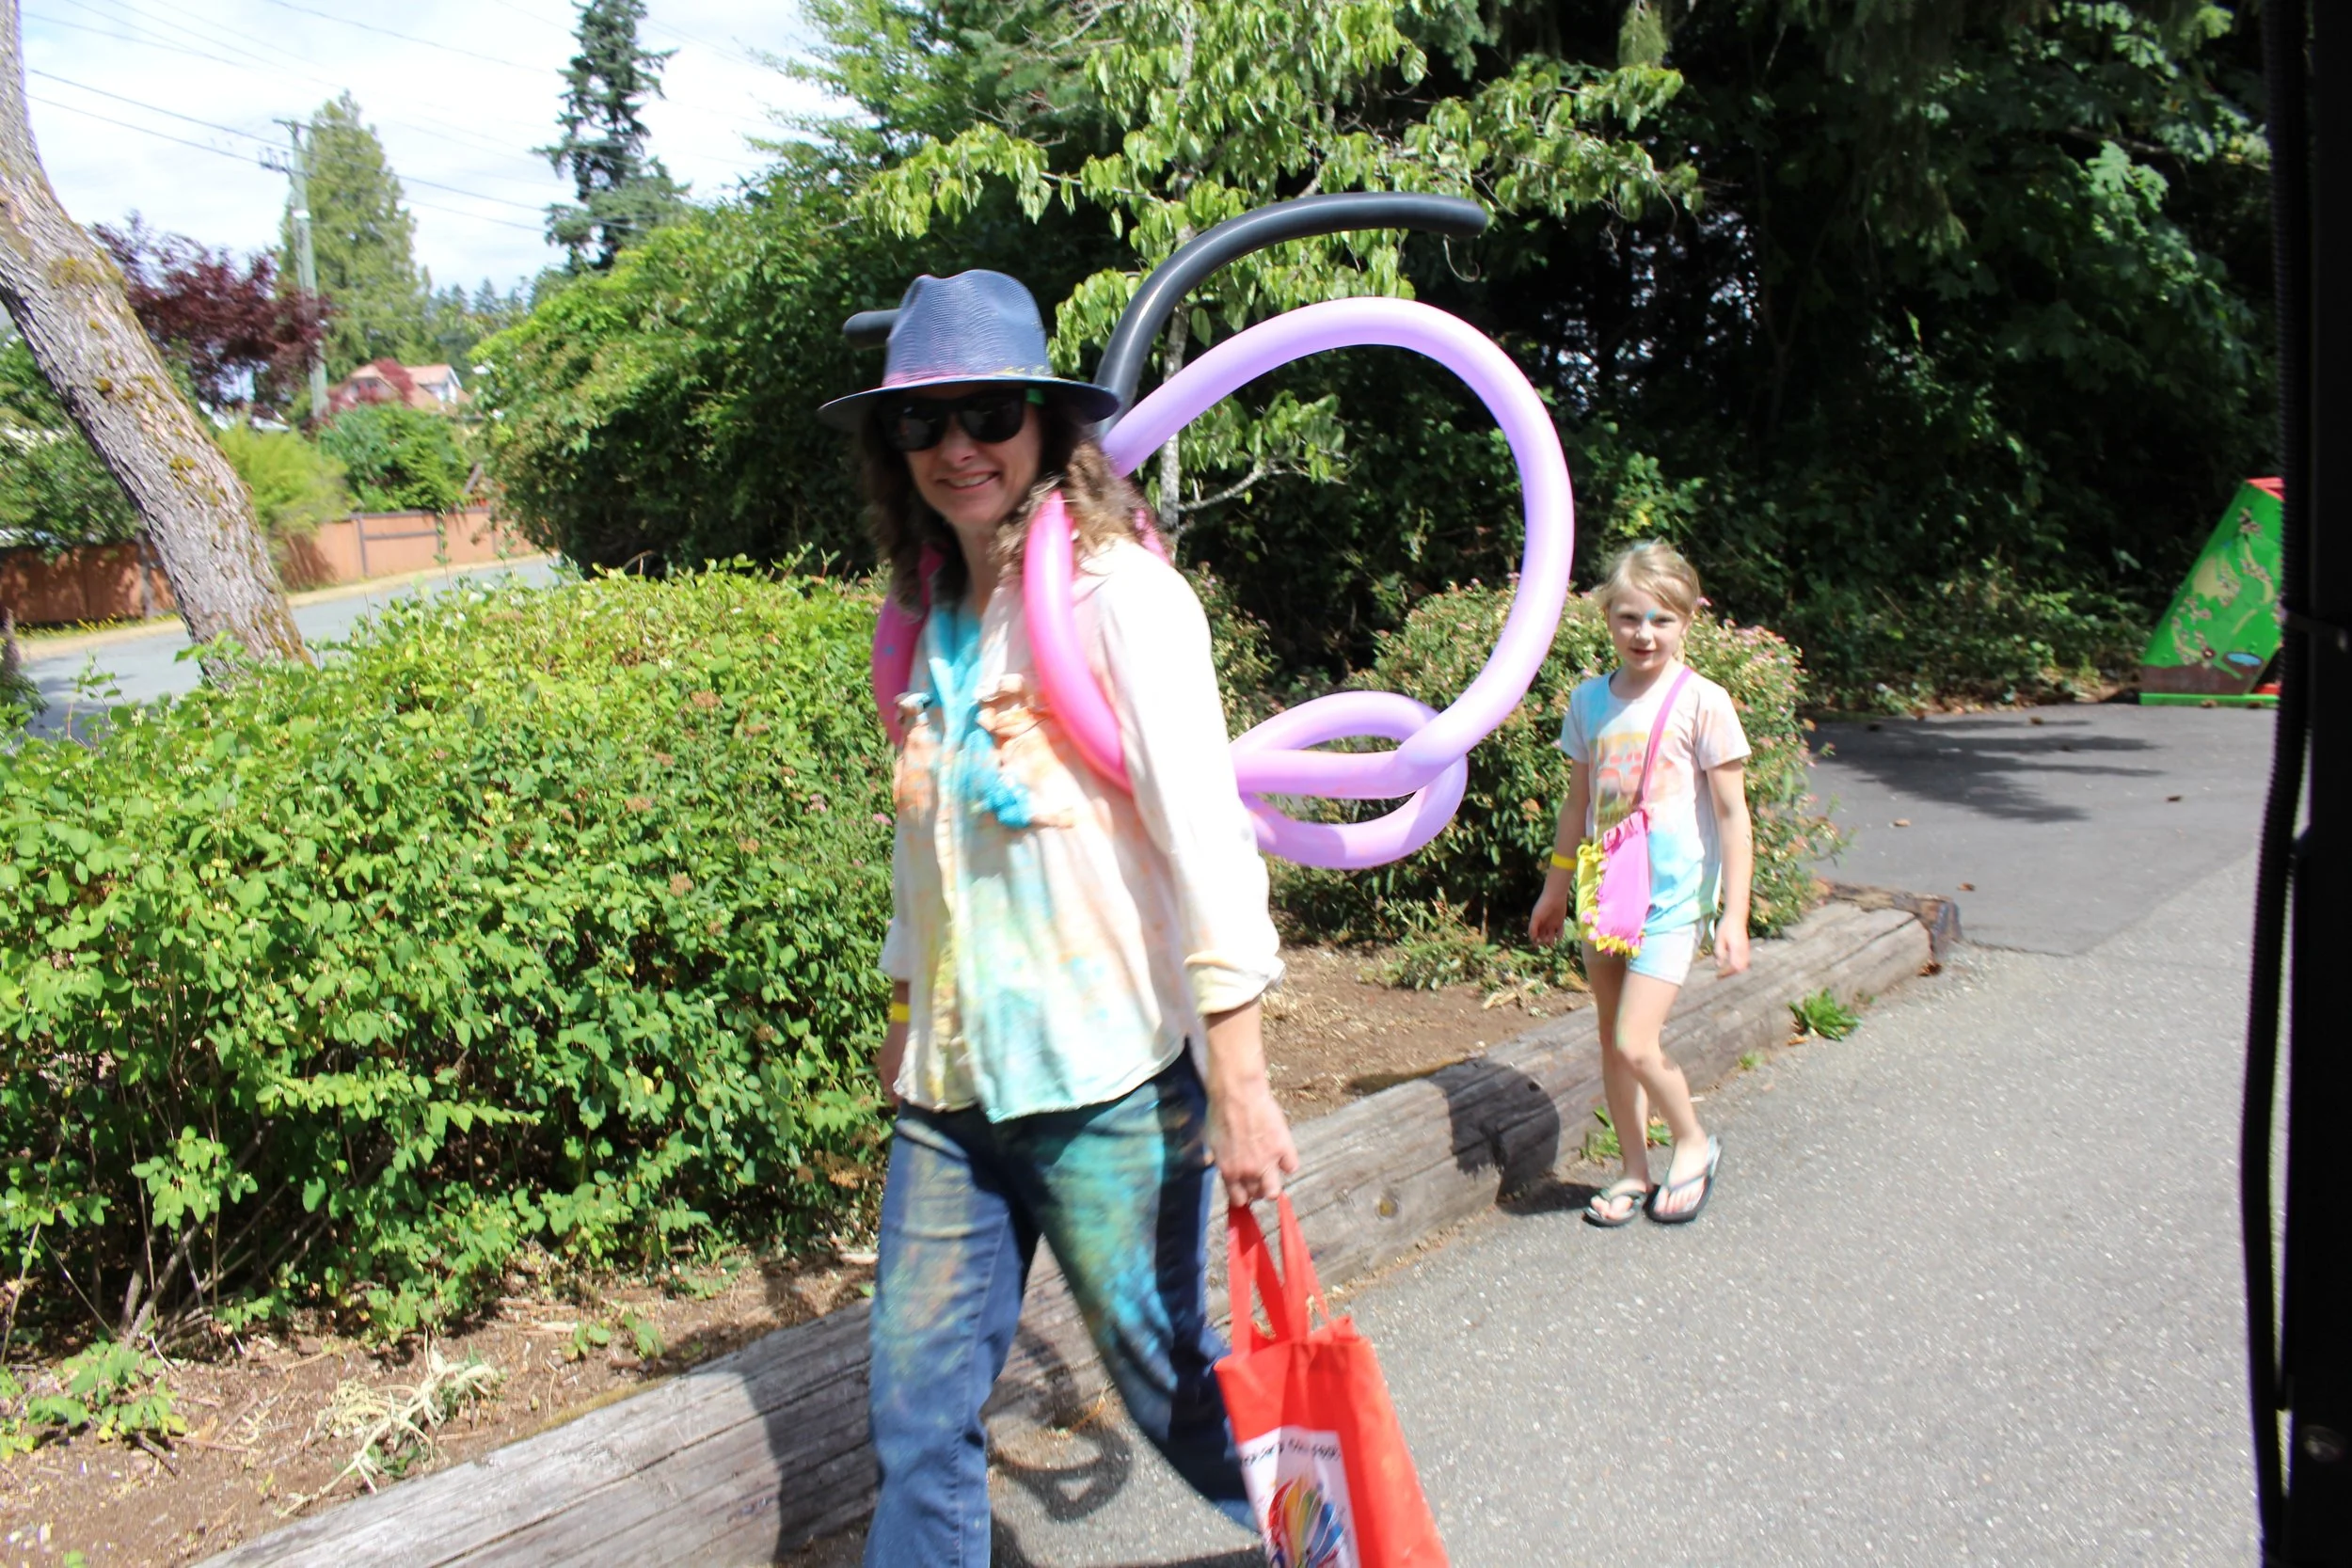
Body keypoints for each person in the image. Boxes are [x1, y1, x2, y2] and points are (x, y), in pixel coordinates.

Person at [818, 269, 1295, 1564]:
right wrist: (907, 1004)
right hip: (954, 1091)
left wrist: (1241, 1083)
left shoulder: (1118, 598)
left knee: (1176, 1390)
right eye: (922, 422)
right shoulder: (918, 626)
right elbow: (931, 859)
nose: (956, 447)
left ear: (1045, 423)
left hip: (1106, 1088)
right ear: (893, 445)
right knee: (915, 1410)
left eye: (985, 411)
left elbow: (1210, 843)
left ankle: (1339, 1543)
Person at [1527, 541, 1755, 1227]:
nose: (1643, 633)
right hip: (1607, 890)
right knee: (1611, 1038)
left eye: (1660, 618)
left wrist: (1734, 914)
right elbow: (1577, 805)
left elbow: (1733, 816)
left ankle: (1691, 1140)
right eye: (1628, 617)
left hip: (1672, 898)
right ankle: (1633, 1168)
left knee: (1635, 1039)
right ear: (1607, 619)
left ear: (1687, 619)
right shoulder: (1589, 701)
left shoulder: (1704, 702)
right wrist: (1555, 887)